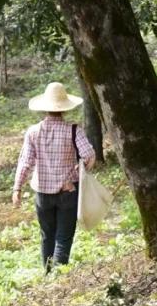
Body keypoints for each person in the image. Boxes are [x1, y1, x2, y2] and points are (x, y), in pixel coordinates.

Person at [12, 82, 96, 270]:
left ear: (45, 109)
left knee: (46, 235)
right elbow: (89, 156)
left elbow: (25, 162)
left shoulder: (33, 132)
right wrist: (78, 171)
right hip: (68, 191)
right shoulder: (74, 131)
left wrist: (17, 188)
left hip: (42, 193)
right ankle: (58, 276)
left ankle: (48, 272)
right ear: (64, 109)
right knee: (63, 236)